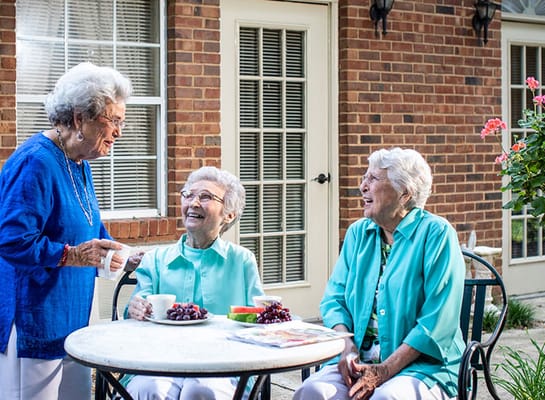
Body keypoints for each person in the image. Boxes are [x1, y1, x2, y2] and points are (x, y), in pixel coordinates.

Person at [0, 62, 139, 399]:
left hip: (74, 315)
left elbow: (84, 223)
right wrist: (73, 255)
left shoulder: (78, 160)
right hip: (36, 316)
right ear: (80, 119)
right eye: (114, 120)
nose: (119, 131)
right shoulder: (36, 162)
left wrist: (117, 251)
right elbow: (12, 241)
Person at [293, 148, 466, 400]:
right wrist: (346, 346)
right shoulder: (357, 233)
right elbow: (334, 299)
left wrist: (385, 370)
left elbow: (437, 320)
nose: (363, 186)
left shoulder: (437, 234)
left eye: (373, 179)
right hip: (357, 363)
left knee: (387, 398)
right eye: (365, 178)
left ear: (404, 192)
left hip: (423, 367)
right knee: (312, 391)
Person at [125, 166, 265, 400]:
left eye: (206, 197)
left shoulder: (242, 261)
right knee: (149, 389)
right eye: (188, 195)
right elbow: (136, 310)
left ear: (228, 214)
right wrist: (136, 308)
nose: (194, 203)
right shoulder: (155, 260)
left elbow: (258, 319)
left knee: (201, 390)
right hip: (159, 361)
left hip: (225, 364)